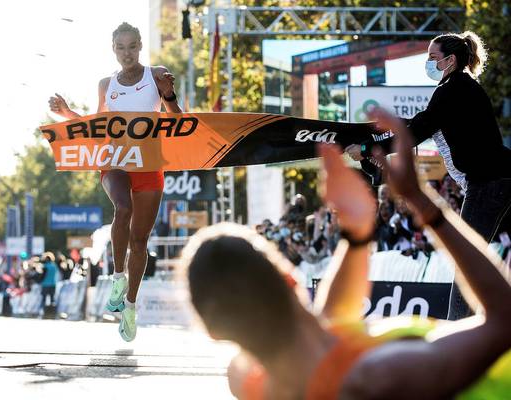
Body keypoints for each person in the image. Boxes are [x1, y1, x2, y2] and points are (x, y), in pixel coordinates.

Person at [181, 108, 511, 399]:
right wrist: (422, 202)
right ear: (290, 278)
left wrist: (356, 235)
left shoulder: (251, 382)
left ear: (215, 332)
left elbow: (331, 322)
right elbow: (503, 320)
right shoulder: (379, 376)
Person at [345, 31, 511, 319]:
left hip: (489, 184)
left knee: (466, 262)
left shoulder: (453, 90)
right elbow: (415, 127)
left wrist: (366, 147)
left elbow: (413, 132)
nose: (428, 63)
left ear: (450, 60)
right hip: (500, 180)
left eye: (433, 57)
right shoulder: (461, 88)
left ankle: (457, 335)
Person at [48, 22, 182, 341]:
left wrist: (169, 95)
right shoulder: (106, 83)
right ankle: (117, 276)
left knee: (139, 241)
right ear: (113, 49)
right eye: (120, 47)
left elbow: (178, 121)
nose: (127, 53)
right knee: (122, 209)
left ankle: (131, 306)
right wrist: (67, 113)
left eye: (132, 46)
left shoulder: (157, 74)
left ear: (140, 47)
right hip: (116, 162)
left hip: (149, 164)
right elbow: (97, 125)